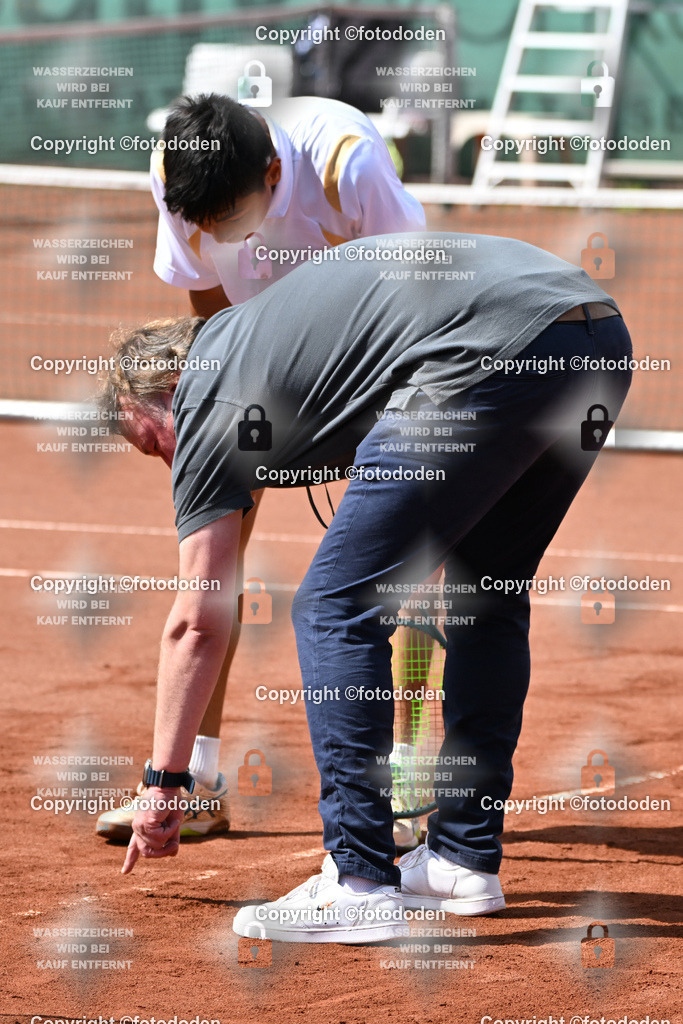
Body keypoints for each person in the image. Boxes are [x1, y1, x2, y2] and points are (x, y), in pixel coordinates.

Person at [101, 232, 632, 943]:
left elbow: (198, 619)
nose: (167, 463)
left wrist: (163, 781)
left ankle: (357, 881)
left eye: (151, 443)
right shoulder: (266, 340)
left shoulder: (203, 394)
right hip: (591, 338)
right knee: (487, 594)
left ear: (164, 389)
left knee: (333, 604)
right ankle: (459, 858)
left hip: (483, 352)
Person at [95, 92, 425, 845]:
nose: (214, 236)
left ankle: (405, 776)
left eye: (229, 221)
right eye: (202, 225)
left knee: (403, 560)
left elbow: (420, 295)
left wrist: (359, 415)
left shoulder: (349, 165)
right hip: (260, 370)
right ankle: (197, 781)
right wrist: (225, 421)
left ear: (276, 174)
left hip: (382, 356)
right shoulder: (178, 173)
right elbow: (211, 309)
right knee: (212, 571)